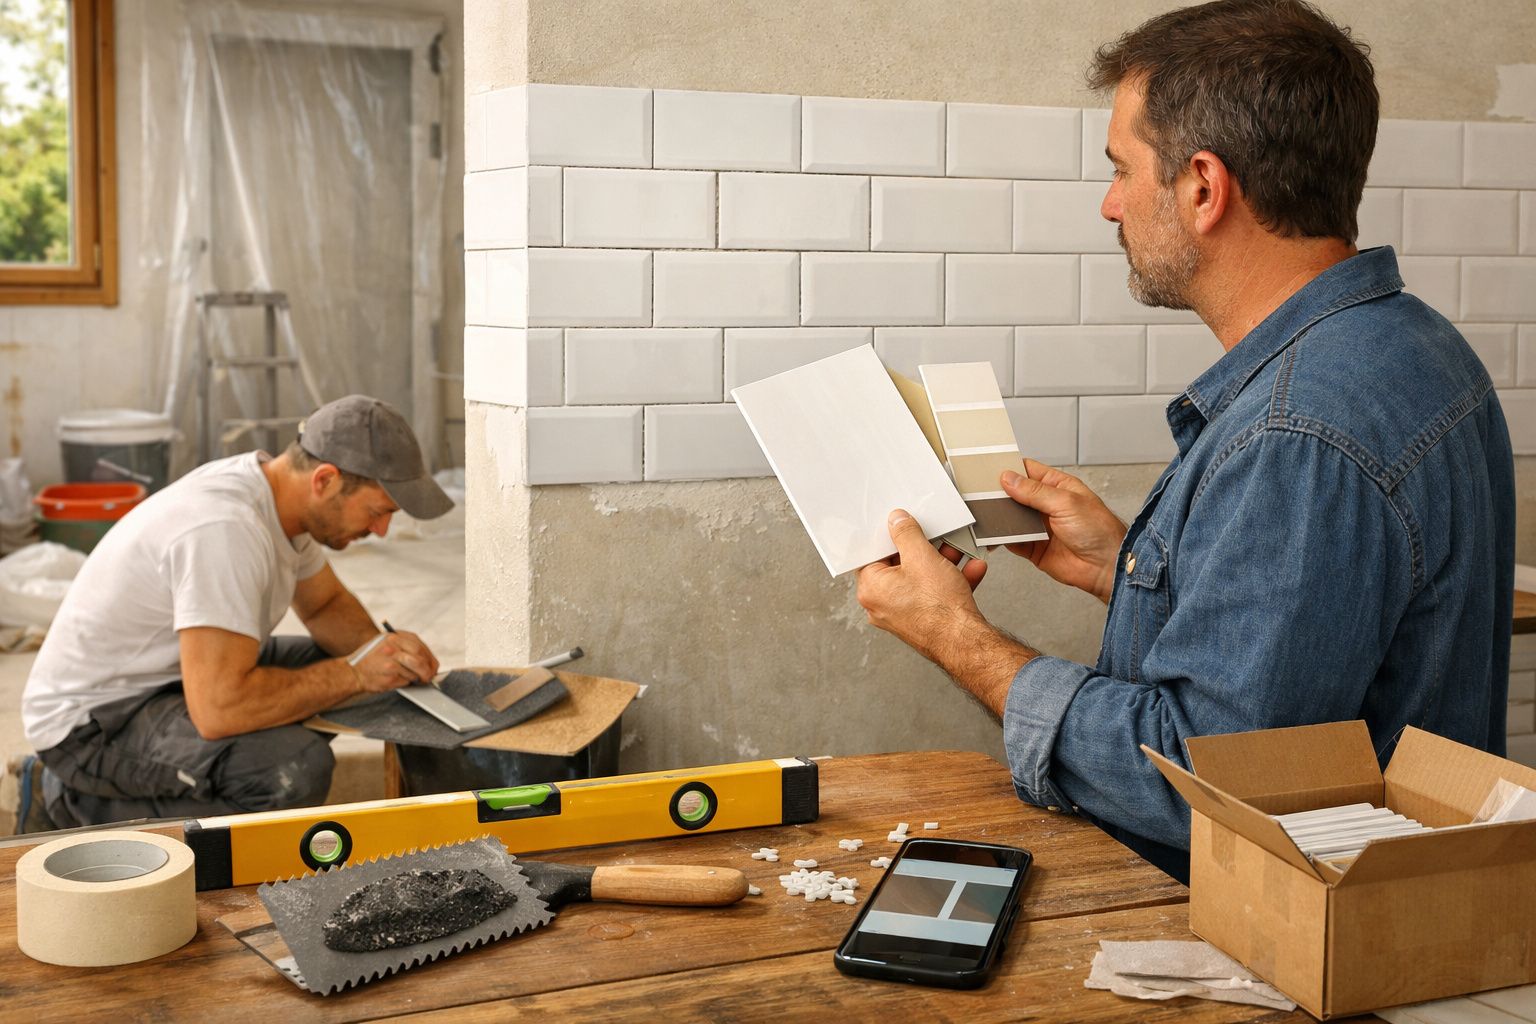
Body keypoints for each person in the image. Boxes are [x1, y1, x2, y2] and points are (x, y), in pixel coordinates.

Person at [856, 0, 1515, 882]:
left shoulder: (1297, 435)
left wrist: (957, 637)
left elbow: (1201, 781)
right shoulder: (1414, 345)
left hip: (1291, 957)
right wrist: (1119, 567)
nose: (1110, 204)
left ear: (1204, 186)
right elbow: (1315, 645)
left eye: (1123, 170)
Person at [17, 394, 454, 830]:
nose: (382, 530)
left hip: (169, 682)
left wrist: (386, 656)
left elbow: (325, 606)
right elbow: (220, 709)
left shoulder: (280, 500)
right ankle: (69, 804)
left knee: (356, 680)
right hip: (93, 724)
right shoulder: (225, 530)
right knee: (294, 769)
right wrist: (356, 674)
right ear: (325, 480)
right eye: (378, 512)